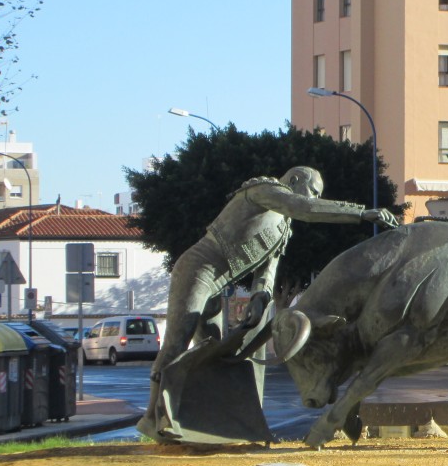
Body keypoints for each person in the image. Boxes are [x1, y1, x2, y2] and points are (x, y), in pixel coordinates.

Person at [137, 166, 397, 439]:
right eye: (312, 191)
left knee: (209, 355)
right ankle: (150, 416)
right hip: (198, 270)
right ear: (295, 180)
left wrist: (260, 298)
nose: (314, 197)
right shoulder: (262, 191)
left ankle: (190, 421)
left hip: (218, 285)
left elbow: (267, 270)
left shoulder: (283, 226)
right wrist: (361, 213)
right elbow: (305, 208)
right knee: (178, 342)